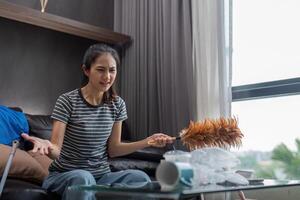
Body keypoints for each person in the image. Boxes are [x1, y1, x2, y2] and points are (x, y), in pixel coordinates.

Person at [21, 43, 175, 199]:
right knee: (83, 178)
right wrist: (47, 147)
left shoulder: (117, 104)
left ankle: (97, 192)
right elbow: (56, 151)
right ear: (86, 70)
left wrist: (148, 141)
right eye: (101, 70)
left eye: (112, 70)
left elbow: (114, 149)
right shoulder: (67, 101)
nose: (107, 77)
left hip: (101, 177)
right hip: (66, 176)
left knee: (139, 178)